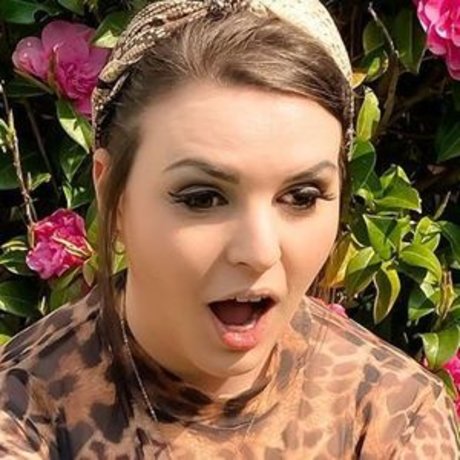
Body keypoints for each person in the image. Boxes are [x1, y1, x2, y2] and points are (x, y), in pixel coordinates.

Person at [0, 0, 459, 458]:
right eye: (202, 198)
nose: (260, 251)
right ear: (113, 197)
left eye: (301, 197)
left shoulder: (392, 415)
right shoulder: (21, 413)